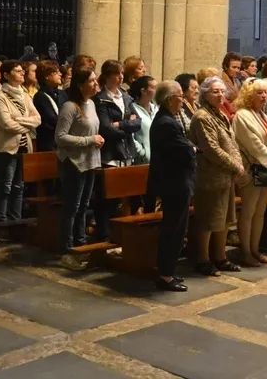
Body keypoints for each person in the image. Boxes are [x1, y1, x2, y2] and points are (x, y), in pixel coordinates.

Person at [188, 76, 244, 276]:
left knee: (224, 219)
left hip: (225, 175)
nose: (221, 95)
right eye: (215, 91)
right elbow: (211, 148)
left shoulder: (219, 114)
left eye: (222, 91)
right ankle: (203, 259)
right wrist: (234, 165)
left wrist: (237, 165)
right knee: (208, 220)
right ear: (204, 94)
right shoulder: (202, 117)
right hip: (210, 176)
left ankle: (220, 257)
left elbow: (231, 142)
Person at [55, 67, 105, 271]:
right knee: (72, 207)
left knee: (84, 206)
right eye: (92, 81)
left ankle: (80, 244)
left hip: (90, 161)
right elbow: (60, 137)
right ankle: (67, 249)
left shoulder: (91, 104)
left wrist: (96, 140)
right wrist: (89, 139)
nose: (96, 84)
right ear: (80, 84)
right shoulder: (70, 107)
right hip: (73, 162)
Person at [233, 79, 267, 267]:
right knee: (248, 213)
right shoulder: (242, 115)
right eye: (259, 93)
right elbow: (254, 145)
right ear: (249, 95)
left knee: (260, 213)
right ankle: (245, 252)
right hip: (251, 170)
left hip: (265, 169)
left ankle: (255, 250)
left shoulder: (261, 113)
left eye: (265, 92)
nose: (264, 96)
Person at [151, 80, 196, 292]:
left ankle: (168, 270)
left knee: (178, 229)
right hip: (174, 183)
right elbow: (185, 151)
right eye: (180, 96)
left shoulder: (168, 119)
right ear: (170, 99)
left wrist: (190, 149)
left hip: (177, 181)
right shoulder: (166, 123)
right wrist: (192, 150)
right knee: (174, 229)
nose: (183, 100)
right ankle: (165, 275)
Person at [93, 60, 142, 238]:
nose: (121, 77)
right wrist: (126, 129)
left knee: (128, 199)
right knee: (108, 202)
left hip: (127, 154)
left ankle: (124, 237)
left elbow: (138, 123)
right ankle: (105, 237)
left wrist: (121, 124)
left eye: (122, 73)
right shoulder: (100, 99)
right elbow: (105, 128)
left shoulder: (126, 97)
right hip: (110, 155)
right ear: (107, 76)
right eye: (116, 74)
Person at [0, 60, 41, 223]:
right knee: (6, 186)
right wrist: (27, 125)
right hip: (6, 148)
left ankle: (16, 220)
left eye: (22, 71)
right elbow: (6, 124)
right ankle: (2, 222)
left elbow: (38, 119)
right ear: (6, 75)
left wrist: (19, 119)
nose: (22, 73)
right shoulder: (1, 96)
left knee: (19, 187)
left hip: (24, 147)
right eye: (17, 71)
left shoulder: (25, 95)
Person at [33, 60, 66, 151]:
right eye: (56, 72)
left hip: (64, 143)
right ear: (46, 76)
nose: (60, 74)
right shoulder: (40, 96)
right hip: (49, 145)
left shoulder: (63, 94)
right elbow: (52, 120)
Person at [130, 75, 158, 165]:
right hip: (142, 162)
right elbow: (130, 136)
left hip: (158, 161)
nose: (157, 90)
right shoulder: (132, 109)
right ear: (143, 91)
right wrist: (143, 153)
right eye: (154, 87)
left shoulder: (156, 109)